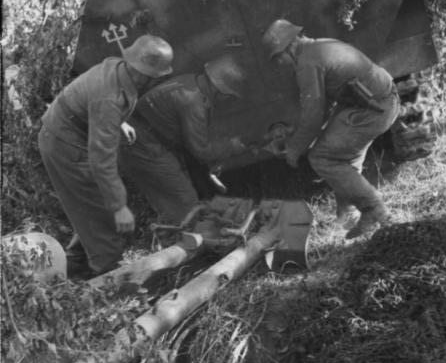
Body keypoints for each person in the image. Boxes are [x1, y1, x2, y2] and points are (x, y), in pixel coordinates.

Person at [38, 34, 174, 277]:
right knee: (101, 212)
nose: (155, 82)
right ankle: (108, 278)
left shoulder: (118, 68)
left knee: (91, 205)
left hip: (69, 133)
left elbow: (97, 103)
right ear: (143, 74)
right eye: (155, 77)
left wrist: (120, 123)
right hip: (64, 144)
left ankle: (77, 263)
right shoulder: (109, 100)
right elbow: (102, 161)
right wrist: (119, 206)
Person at [262, 19, 400, 238]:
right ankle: (348, 215)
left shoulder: (307, 63)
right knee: (341, 156)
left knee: (322, 157)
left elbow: (314, 116)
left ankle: (373, 208)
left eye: (279, 58)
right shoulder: (320, 46)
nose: (281, 64)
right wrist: (295, 132)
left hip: (373, 110)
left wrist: (294, 149)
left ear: (288, 48)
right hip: (377, 103)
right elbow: (322, 107)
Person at [120, 53, 248, 226]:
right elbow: (201, 149)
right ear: (220, 89)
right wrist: (231, 146)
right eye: (229, 95)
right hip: (143, 144)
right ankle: (188, 243)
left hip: (142, 140)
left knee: (171, 197)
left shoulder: (191, 82)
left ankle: (173, 237)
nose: (228, 100)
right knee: (184, 198)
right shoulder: (193, 101)